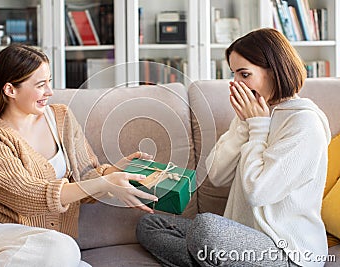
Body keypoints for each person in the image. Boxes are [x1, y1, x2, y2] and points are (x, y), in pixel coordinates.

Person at [136, 28, 331, 267]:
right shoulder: (252, 115)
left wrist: (258, 126)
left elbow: (258, 192)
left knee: (206, 229)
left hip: (289, 251)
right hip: (241, 238)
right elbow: (217, 175)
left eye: (244, 74)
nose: (236, 83)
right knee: (150, 225)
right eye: (234, 74)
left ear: (275, 70)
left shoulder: (304, 123)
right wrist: (244, 125)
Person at [0, 43, 158, 267]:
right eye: (41, 85)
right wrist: (104, 182)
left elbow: (85, 176)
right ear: (10, 90)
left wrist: (111, 173)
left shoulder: (61, 118)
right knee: (63, 249)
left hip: (52, 248)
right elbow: (27, 196)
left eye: (49, 82)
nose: (50, 92)